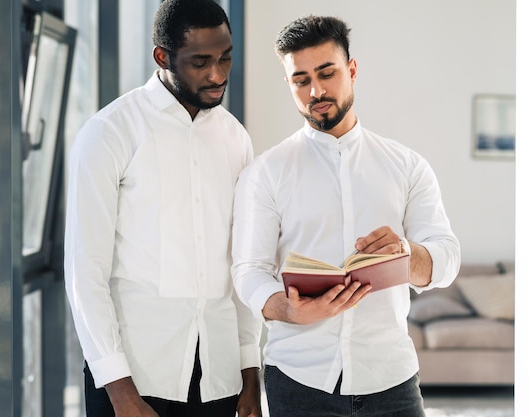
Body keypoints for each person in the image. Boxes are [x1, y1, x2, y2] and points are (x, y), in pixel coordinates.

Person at [231, 15, 461, 417]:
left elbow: (447, 260)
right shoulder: (265, 173)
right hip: (298, 379)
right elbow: (248, 271)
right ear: (289, 85)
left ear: (351, 71)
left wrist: (408, 254)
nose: (316, 90)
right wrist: (286, 309)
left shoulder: (408, 166)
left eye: (327, 72)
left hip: (391, 378)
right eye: (301, 80)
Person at [64, 1, 262, 416]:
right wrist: (121, 393)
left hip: (219, 377)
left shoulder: (235, 139)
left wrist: (250, 372)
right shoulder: (109, 133)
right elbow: (86, 274)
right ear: (162, 56)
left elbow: (243, 262)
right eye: (200, 62)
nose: (218, 74)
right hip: (135, 379)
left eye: (225, 57)